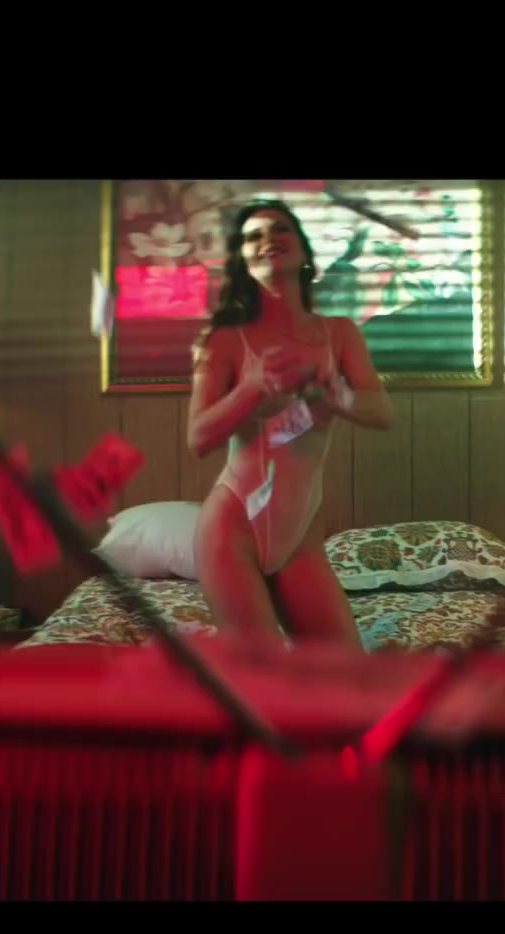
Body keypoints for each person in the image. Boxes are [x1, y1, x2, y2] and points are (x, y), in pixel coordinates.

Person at [187, 201, 392, 647]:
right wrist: (251, 390)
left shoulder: (340, 334)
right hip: (232, 530)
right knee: (266, 675)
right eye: (253, 236)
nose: (268, 240)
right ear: (242, 260)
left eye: (280, 229)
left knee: (346, 674)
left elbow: (382, 413)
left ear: (303, 250)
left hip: (299, 538)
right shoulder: (223, 340)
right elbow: (198, 439)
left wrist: (334, 396)